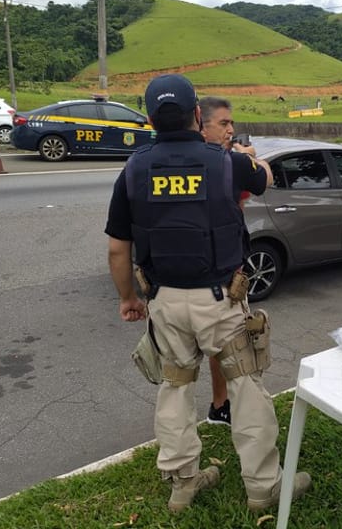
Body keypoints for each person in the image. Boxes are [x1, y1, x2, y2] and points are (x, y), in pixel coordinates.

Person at [105, 74, 310, 513]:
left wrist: (128, 299)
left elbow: (118, 248)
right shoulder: (225, 161)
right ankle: (263, 487)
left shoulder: (135, 168)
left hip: (163, 300)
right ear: (198, 116)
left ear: (148, 119)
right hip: (220, 300)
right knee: (245, 386)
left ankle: (183, 482)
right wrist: (245, 154)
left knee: (175, 387)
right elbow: (264, 178)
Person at [198, 96, 255, 426]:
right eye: (223, 123)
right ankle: (230, 409)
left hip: (206, 275)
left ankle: (221, 404)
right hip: (213, 278)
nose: (231, 129)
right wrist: (246, 161)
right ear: (200, 124)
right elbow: (260, 183)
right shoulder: (228, 163)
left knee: (217, 351)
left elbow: (240, 208)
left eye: (231, 123)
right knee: (231, 349)